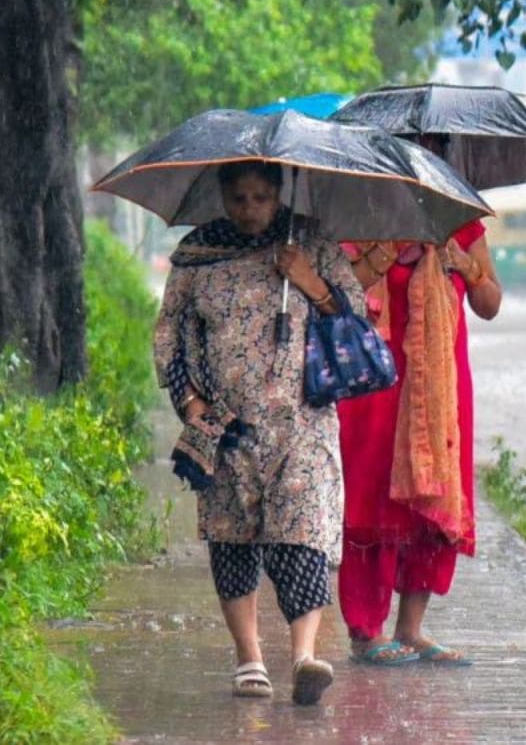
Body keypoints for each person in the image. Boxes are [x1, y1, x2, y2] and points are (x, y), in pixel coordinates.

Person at [154, 160, 377, 704]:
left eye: (260, 197)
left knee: (301, 536)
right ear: (222, 196)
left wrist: (308, 281)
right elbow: (170, 335)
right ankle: (249, 658)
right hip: (226, 427)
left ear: (279, 194)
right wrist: (189, 401)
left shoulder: (311, 243)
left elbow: (356, 321)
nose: (250, 210)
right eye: (238, 199)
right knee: (232, 541)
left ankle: (304, 656)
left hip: (301, 423)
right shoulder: (197, 254)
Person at [336, 217, 503, 666]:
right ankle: (365, 632)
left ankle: (411, 629)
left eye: (436, 141)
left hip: (438, 387)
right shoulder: (362, 211)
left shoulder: (461, 223)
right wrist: (388, 249)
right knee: (369, 494)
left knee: (434, 495)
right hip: (374, 378)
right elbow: (338, 292)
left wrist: (463, 265)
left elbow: (490, 304)